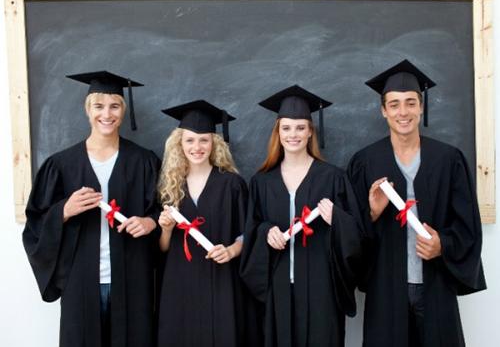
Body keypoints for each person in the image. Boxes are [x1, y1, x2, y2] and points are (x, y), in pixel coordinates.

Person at [347, 60, 486, 347]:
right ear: (383, 110)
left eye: (410, 103)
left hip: (435, 284)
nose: (403, 112)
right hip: (385, 285)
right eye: (394, 104)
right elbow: (348, 231)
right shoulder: (365, 162)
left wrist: (443, 245)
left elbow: (468, 225)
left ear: (421, 107)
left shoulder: (448, 160)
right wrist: (371, 213)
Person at [22, 71, 161, 347]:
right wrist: (64, 210)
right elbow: (35, 224)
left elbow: (164, 210)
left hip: (133, 278)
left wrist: (151, 222)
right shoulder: (60, 165)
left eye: (114, 106)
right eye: (98, 106)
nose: (106, 114)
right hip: (81, 279)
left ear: (123, 110)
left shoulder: (144, 162)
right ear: (87, 110)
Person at [240, 85, 362, 347]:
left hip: (322, 288)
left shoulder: (333, 178)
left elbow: (358, 235)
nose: (292, 134)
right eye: (286, 128)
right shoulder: (262, 182)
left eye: (299, 127)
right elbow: (252, 230)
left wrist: (337, 220)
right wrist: (266, 232)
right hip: (278, 287)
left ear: (310, 132)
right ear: (278, 132)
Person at [156, 100, 259, 347]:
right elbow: (161, 249)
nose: (197, 147)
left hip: (221, 278)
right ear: (179, 144)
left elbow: (248, 232)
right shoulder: (170, 187)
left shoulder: (232, 184)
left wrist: (232, 250)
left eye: (204, 140)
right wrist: (166, 229)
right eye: (190, 140)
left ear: (214, 143)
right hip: (180, 280)